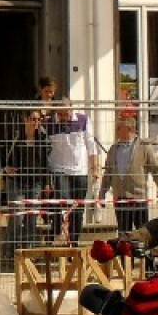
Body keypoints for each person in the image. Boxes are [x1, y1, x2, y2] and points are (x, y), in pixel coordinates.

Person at [43, 81, 99, 246]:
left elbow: (91, 146)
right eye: (60, 114)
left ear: (71, 109)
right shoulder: (49, 123)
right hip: (59, 170)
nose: (64, 118)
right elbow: (43, 149)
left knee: (78, 208)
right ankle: (57, 231)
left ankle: (73, 241)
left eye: (66, 114)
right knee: (63, 201)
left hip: (80, 171)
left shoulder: (83, 120)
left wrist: (95, 168)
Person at [98, 115, 158, 234]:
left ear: (129, 129)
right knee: (123, 233)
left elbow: (156, 170)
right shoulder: (113, 149)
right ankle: (125, 252)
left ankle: (144, 253)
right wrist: (102, 193)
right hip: (120, 199)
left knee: (142, 232)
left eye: (119, 128)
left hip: (138, 198)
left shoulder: (144, 147)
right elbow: (108, 174)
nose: (116, 131)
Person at [1, 107, 51, 251]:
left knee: (31, 219)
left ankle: (29, 252)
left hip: (34, 182)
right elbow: (0, 151)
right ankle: (10, 252)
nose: (36, 123)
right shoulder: (16, 136)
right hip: (16, 182)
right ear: (25, 120)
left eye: (39, 120)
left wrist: (47, 182)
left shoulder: (42, 138)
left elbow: (45, 162)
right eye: (33, 119)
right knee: (17, 217)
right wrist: (5, 167)